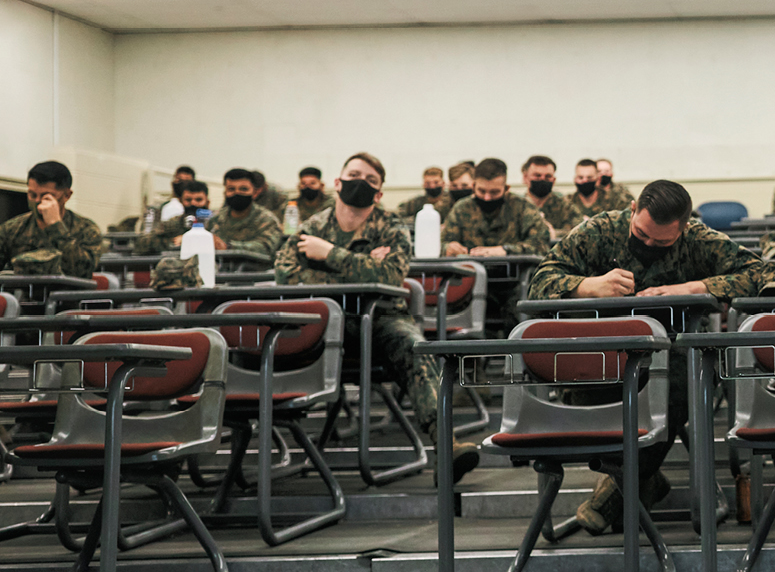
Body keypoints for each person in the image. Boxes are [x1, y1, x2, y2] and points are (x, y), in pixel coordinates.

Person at [524, 180, 775, 534]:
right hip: (603, 358)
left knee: (678, 378)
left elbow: (772, 273)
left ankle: (616, 491)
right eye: (641, 234)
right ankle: (642, 481)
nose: (647, 246)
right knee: (590, 399)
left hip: (673, 362)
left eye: (661, 242)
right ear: (631, 210)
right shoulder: (601, 230)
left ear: (684, 229)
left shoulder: (697, 241)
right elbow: (539, 282)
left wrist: (696, 288)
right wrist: (587, 286)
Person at [272, 153, 481, 481]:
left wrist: (329, 255)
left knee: (413, 344)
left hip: (381, 317)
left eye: (370, 181)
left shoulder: (390, 225)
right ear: (338, 182)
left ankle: (446, 447)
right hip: (325, 323)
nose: (360, 184)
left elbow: (391, 276)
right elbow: (285, 276)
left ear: (380, 193)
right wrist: (362, 265)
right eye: (354, 175)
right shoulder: (312, 226)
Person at [134, 168, 284, 258]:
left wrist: (227, 247)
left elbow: (266, 248)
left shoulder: (266, 219)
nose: (237, 193)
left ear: (255, 192)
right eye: (231, 189)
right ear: (225, 191)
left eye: (243, 189)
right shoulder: (215, 218)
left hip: (255, 280)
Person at [0, 160, 104, 277]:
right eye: (32, 195)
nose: (38, 201)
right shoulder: (11, 229)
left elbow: (81, 272)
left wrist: (55, 226)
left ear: (66, 195)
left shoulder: (86, 230)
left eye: (46, 196)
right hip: (23, 293)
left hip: (68, 294)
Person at [443, 157, 551, 258]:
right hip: (469, 273)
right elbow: (441, 243)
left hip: (516, 274)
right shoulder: (461, 209)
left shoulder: (523, 208)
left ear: (506, 188)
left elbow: (542, 246)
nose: (487, 198)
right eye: (482, 191)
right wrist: (449, 248)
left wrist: (506, 251)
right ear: (473, 186)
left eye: (494, 192)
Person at [520, 155, 580, 238]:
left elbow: (579, 231)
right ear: (525, 178)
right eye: (537, 176)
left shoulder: (565, 205)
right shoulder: (517, 206)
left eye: (548, 176)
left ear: (554, 180)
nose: (542, 179)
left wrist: (555, 234)